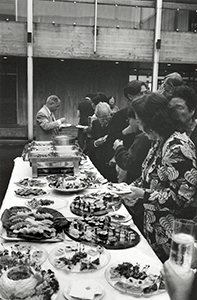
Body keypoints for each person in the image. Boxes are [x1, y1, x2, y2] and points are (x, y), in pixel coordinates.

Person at [125, 92, 197, 262]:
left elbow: (182, 198)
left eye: (139, 120)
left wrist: (142, 195)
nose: (138, 124)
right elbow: (148, 178)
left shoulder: (177, 146)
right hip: (155, 226)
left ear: (152, 121)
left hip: (172, 234)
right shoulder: (159, 141)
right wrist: (126, 190)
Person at [113, 106, 151, 185]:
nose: (129, 123)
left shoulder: (143, 138)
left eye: (129, 119)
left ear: (137, 120)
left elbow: (129, 163)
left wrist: (118, 147)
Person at [85, 102, 117, 182]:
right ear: (97, 117)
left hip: (111, 161)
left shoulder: (115, 124)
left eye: (107, 117)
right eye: (102, 118)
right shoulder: (95, 124)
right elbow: (89, 142)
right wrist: (96, 143)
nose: (105, 120)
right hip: (98, 160)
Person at [169, 85, 197, 152]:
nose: (174, 112)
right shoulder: (170, 131)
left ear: (192, 111)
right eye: (170, 108)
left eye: (179, 107)